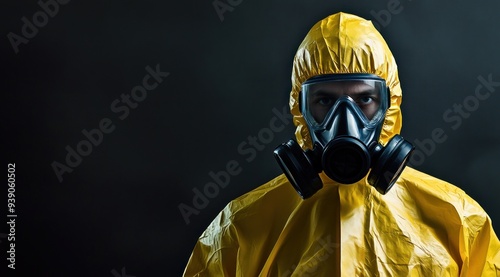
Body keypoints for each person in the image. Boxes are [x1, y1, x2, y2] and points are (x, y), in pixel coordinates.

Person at [183, 12, 500, 276]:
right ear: (300, 107)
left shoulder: (458, 220)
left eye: (364, 99)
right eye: (324, 100)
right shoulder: (239, 228)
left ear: (389, 103)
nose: (345, 119)